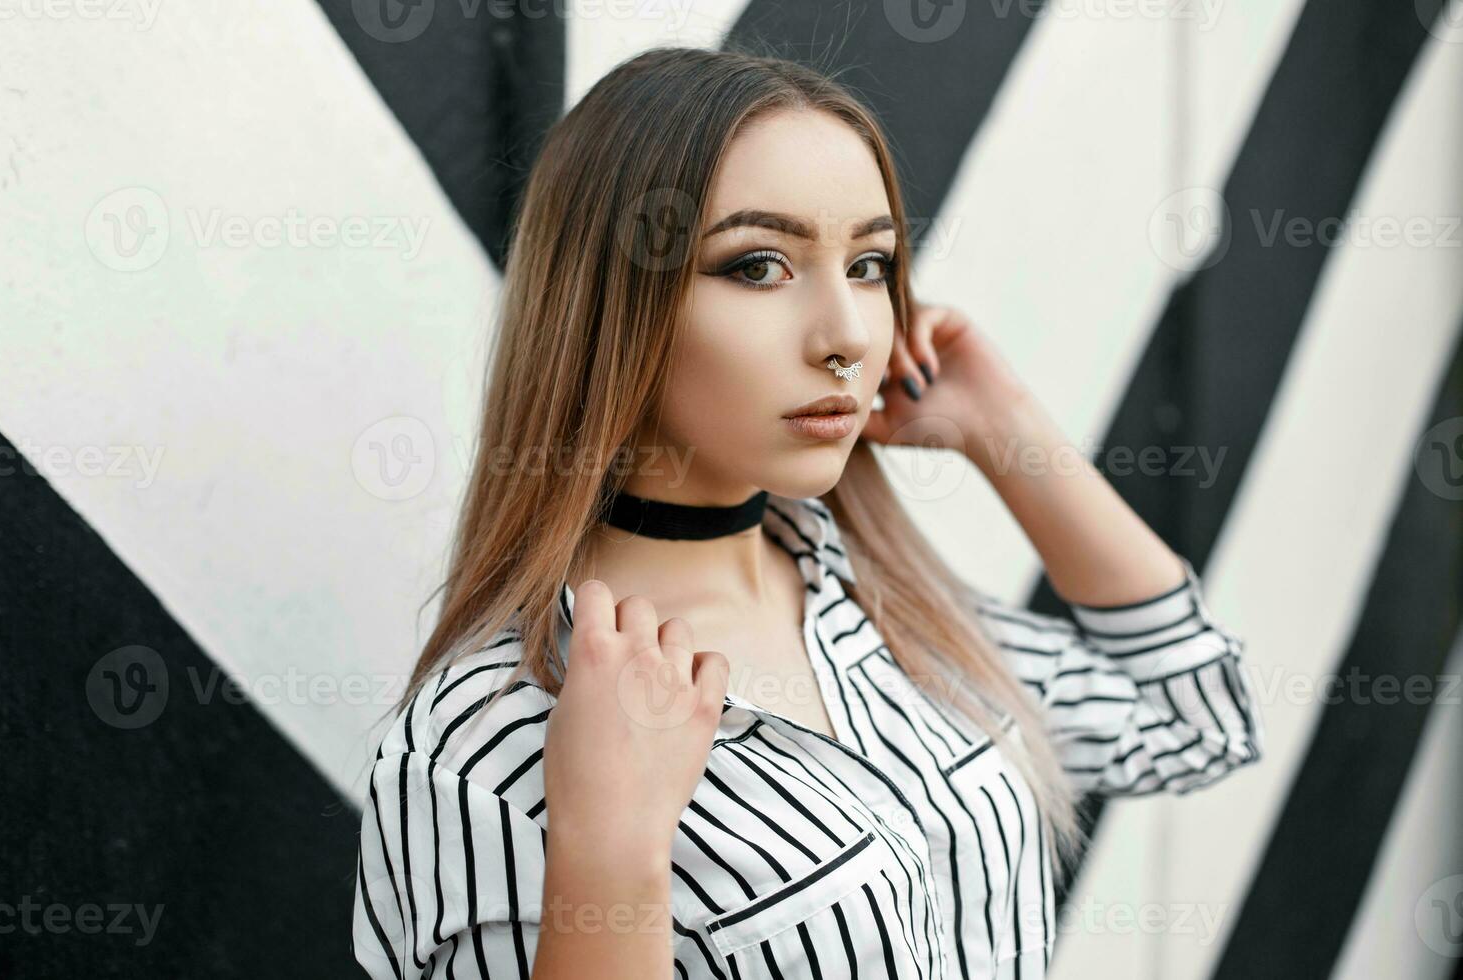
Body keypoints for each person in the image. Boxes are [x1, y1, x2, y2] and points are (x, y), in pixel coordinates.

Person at [351, 44, 1264, 980]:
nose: (847, 337)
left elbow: (1198, 722)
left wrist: (1009, 433)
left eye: (870, 264)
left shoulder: (891, 615)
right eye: (757, 266)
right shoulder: (485, 740)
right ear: (608, 307)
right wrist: (612, 853)